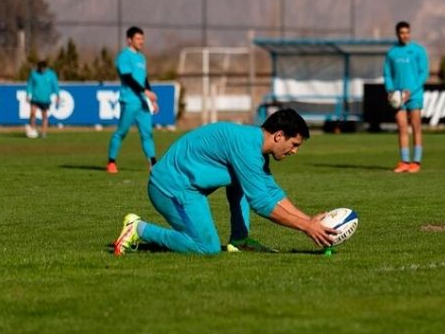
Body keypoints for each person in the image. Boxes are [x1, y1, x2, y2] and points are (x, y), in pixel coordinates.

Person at [113, 109, 337, 255]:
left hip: (189, 189)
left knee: (241, 183)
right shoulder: (247, 147)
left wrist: (310, 221)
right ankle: (139, 229)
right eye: (294, 144)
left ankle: (239, 240)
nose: (295, 151)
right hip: (169, 188)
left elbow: (271, 191)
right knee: (206, 248)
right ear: (279, 136)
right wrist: (307, 227)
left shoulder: (254, 146)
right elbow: (261, 203)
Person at [106, 26, 158, 173]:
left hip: (142, 101)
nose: (141, 41)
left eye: (142, 38)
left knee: (147, 133)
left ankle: (153, 163)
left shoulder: (141, 58)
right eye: (138, 38)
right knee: (121, 132)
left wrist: (151, 98)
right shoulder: (124, 56)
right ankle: (111, 162)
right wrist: (145, 92)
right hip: (129, 100)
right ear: (129, 40)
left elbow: (144, 79)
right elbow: (128, 78)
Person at [383, 21, 429, 173]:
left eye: (407, 32)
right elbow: (388, 74)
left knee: (416, 126)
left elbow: (423, 74)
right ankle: (404, 161)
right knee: (402, 126)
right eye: (402, 33)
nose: (405, 35)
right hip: (398, 97)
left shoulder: (418, 51)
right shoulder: (392, 53)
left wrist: (411, 90)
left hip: (414, 95)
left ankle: (416, 162)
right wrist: (390, 90)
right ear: (397, 34)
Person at [25, 60, 60, 139]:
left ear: (46, 67)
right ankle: (33, 130)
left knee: (44, 116)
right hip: (35, 98)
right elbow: (30, 84)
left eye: (43, 68)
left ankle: (43, 133)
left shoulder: (51, 74)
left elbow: (55, 85)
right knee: (32, 113)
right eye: (40, 68)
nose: (42, 70)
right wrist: (27, 94)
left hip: (45, 99)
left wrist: (58, 95)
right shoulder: (34, 74)